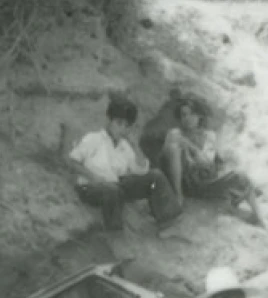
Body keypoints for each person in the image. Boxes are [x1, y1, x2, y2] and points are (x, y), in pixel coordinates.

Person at [67, 94, 182, 233]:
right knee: (112, 190)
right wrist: (93, 178)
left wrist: (135, 146)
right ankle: (115, 233)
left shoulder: (125, 146)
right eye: (118, 123)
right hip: (90, 187)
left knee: (155, 176)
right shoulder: (93, 139)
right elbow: (72, 162)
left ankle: (168, 221)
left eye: (126, 126)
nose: (121, 129)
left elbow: (140, 170)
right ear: (109, 121)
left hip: (116, 185)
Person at [159, 95, 266, 227]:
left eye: (191, 114)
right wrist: (182, 146)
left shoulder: (208, 135)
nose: (187, 118)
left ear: (199, 116)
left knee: (241, 177)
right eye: (183, 115)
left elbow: (207, 162)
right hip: (182, 180)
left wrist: (190, 146)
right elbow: (167, 155)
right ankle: (178, 196)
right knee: (174, 141)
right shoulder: (176, 134)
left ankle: (260, 219)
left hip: (203, 183)